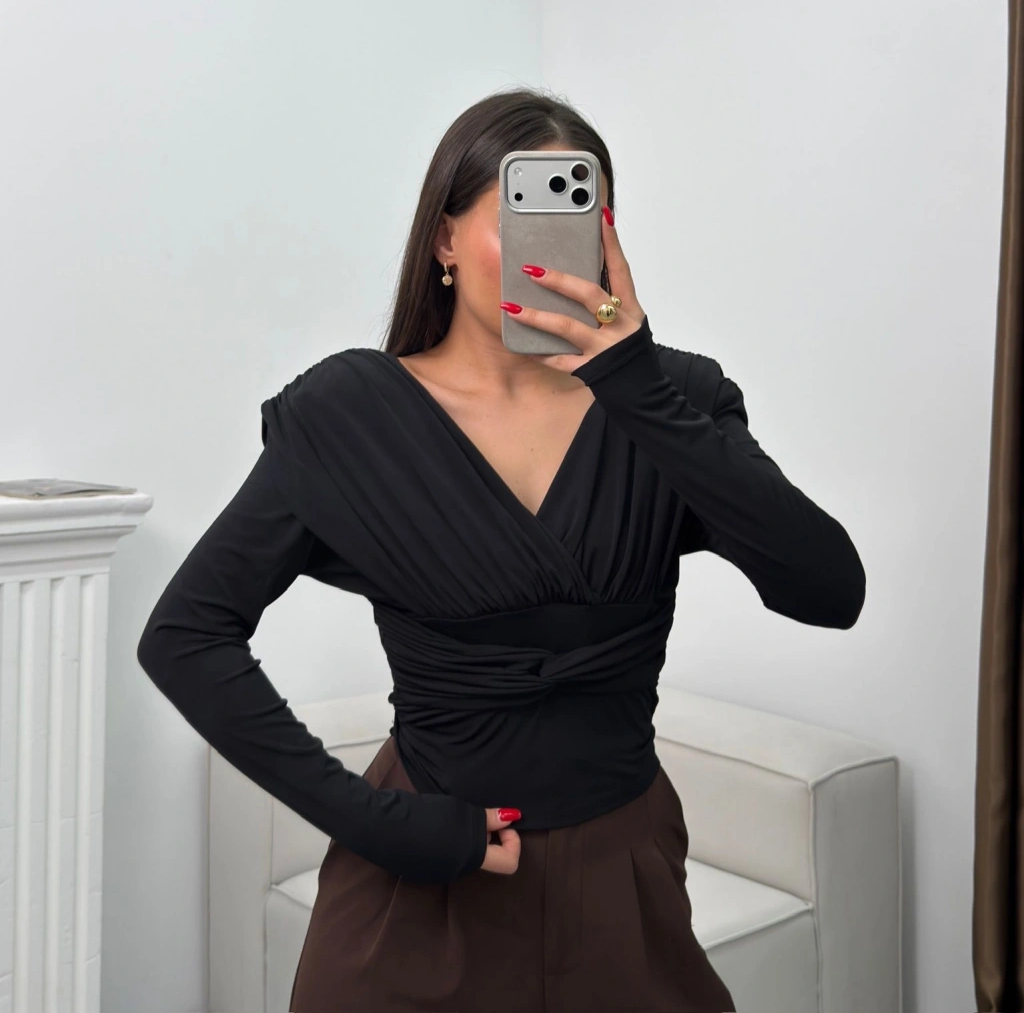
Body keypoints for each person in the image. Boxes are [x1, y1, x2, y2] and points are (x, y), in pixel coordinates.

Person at [137, 88, 865, 1013]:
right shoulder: (350, 415)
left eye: (577, 217)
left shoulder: (674, 399)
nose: (548, 249)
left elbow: (829, 590)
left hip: (627, 888)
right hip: (418, 891)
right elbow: (186, 636)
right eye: (519, 216)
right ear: (443, 240)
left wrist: (635, 384)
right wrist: (379, 824)